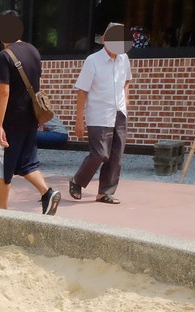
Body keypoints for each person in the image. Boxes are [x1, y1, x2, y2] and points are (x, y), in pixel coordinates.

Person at [0, 10, 61, 215]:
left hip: (11, 118)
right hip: (30, 117)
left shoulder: (4, 56)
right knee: (26, 163)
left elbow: (4, 91)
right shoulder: (33, 51)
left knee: (1, 166)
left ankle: (2, 211)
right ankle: (47, 193)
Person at [69, 23, 132, 205]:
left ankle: (105, 192)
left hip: (119, 112)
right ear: (104, 39)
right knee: (100, 154)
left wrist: (126, 99)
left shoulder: (124, 59)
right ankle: (77, 181)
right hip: (99, 114)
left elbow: (127, 80)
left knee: (116, 156)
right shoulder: (93, 61)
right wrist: (79, 120)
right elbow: (82, 91)